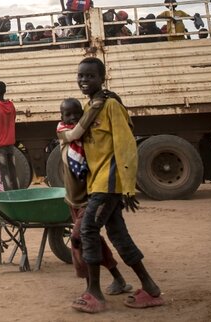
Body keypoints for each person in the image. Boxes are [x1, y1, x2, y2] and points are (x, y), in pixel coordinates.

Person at [71, 57, 163, 313]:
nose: (84, 80)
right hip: (98, 183)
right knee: (118, 235)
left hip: (109, 184)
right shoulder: (92, 107)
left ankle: (94, 293)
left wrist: (128, 186)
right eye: (81, 76)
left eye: (90, 76)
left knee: (88, 230)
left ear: (102, 78)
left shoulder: (111, 106)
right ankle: (151, 289)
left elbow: (125, 146)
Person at [56, 97, 132, 299]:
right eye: (67, 114)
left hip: (88, 199)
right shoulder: (63, 132)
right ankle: (118, 279)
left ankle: (91, 287)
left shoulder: (89, 139)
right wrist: (93, 109)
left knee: (79, 239)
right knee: (94, 241)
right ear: (61, 116)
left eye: (76, 113)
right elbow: (75, 132)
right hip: (73, 200)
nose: (72, 117)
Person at [0, 81, 18, 191]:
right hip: (10, 144)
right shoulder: (11, 105)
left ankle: (9, 197)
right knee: (13, 173)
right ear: (5, 91)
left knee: (4, 173)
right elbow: (13, 119)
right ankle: (17, 196)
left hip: (0, 146)